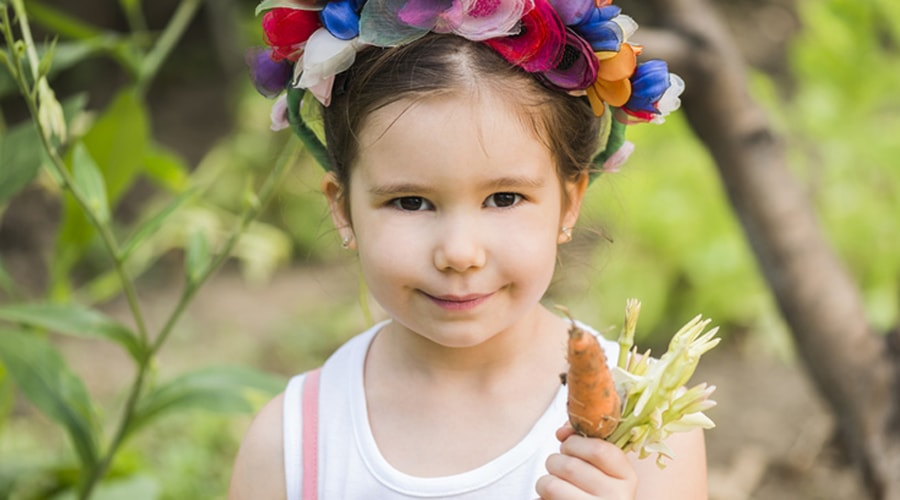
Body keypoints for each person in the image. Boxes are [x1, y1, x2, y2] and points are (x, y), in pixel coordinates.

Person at [231, 1, 706, 498]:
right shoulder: (290, 448)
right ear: (344, 210)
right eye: (410, 202)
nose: (459, 253)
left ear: (569, 204)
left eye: (504, 198)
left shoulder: (647, 426)